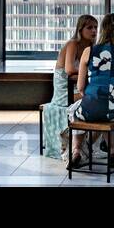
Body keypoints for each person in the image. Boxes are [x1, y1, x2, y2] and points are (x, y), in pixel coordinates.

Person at [74, 12, 114, 167]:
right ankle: (113, 152)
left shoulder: (89, 51)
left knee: (77, 112)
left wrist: (91, 96)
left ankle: (76, 151)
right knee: (109, 112)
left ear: (102, 30)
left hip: (92, 106)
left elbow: (81, 86)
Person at [42, 14, 95, 162]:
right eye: (89, 27)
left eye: (96, 27)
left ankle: (91, 143)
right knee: (90, 100)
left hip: (78, 85)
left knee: (98, 98)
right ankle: (80, 145)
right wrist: (90, 71)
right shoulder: (73, 44)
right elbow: (70, 69)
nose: (94, 31)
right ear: (80, 29)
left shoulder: (91, 47)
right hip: (64, 89)